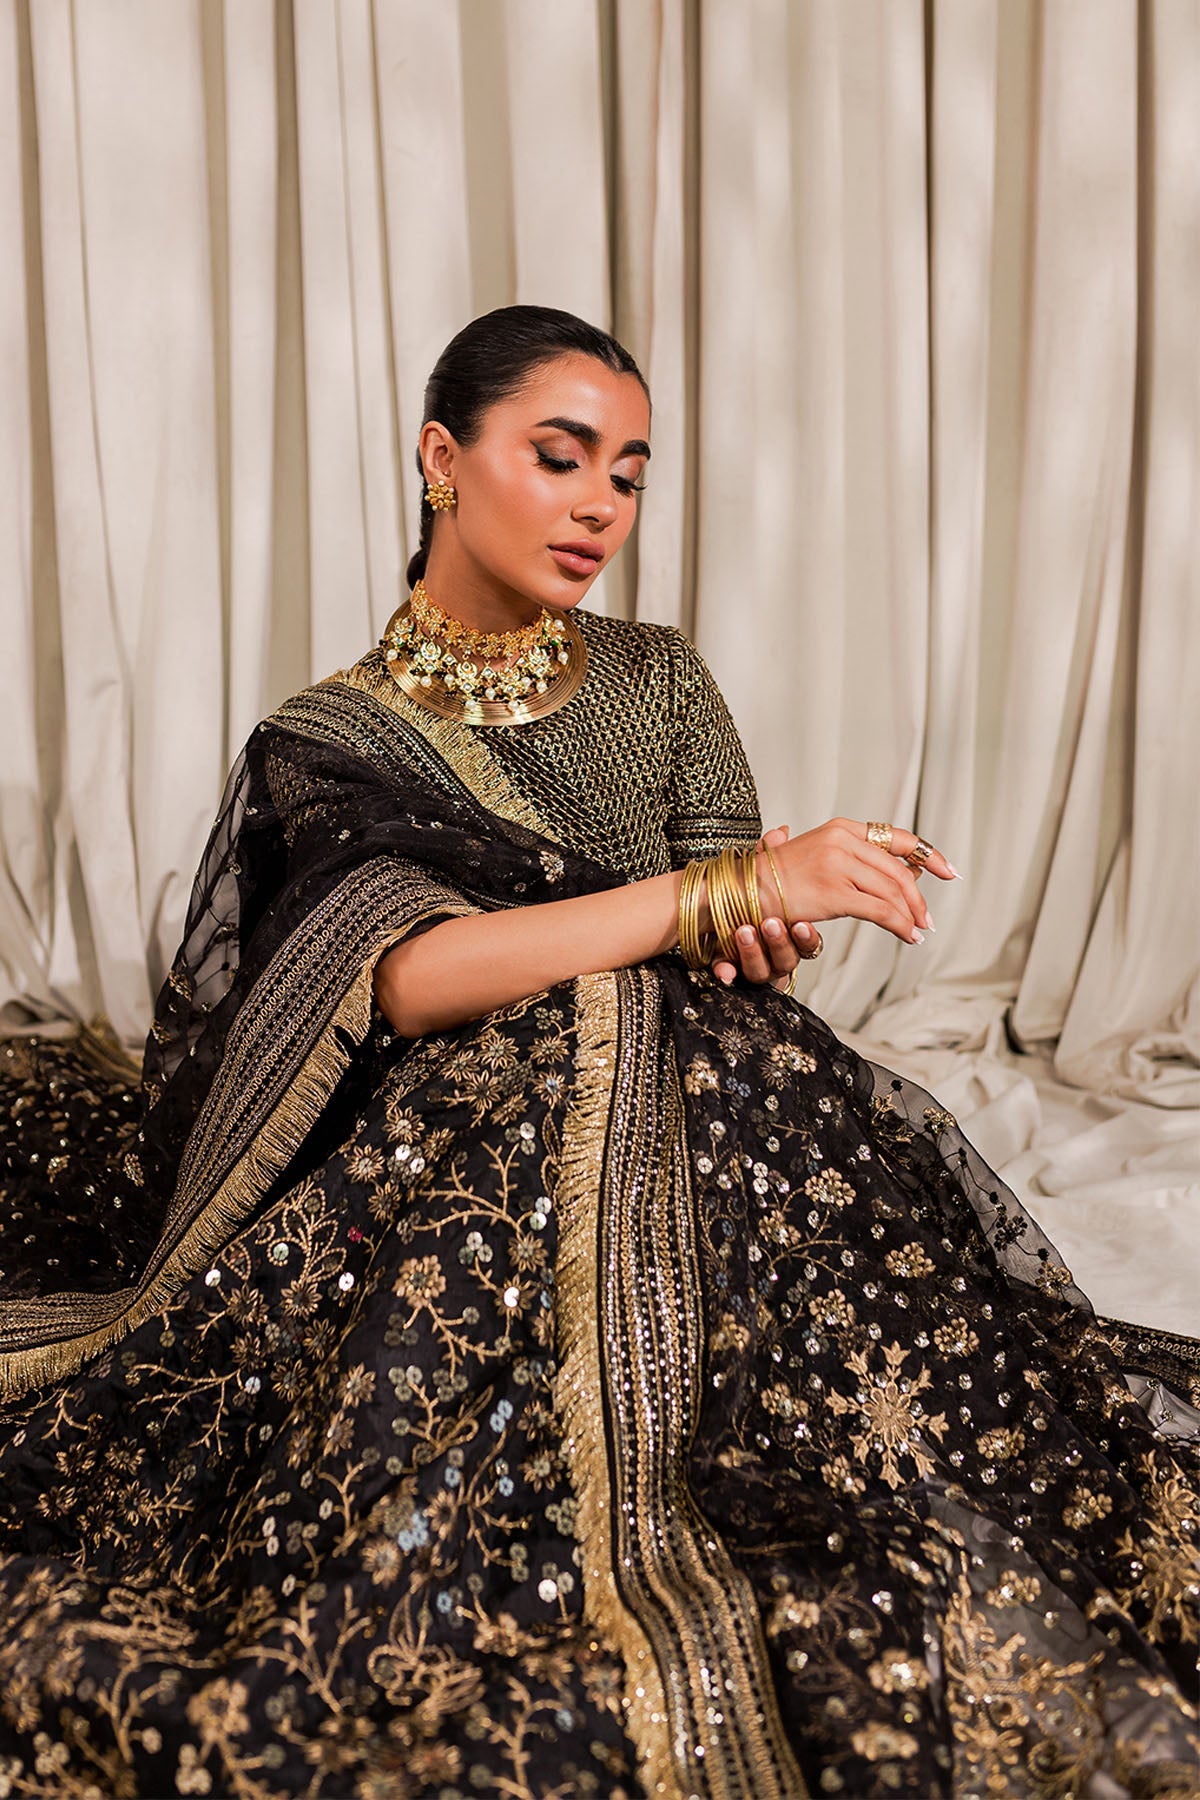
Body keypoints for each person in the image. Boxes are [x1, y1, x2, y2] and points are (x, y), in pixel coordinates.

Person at [0, 304, 1197, 1800]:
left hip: (705, 1106)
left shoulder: (661, 680)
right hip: (464, 1132)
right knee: (561, 1054)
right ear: (443, 459)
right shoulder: (333, 736)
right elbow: (409, 983)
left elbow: (726, 938)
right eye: (560, 458)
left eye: (628, 474)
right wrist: (717, 895)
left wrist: (760, 919)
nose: (600, 509)